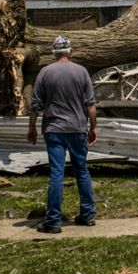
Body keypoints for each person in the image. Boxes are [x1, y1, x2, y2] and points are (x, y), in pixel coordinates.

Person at [27, 35, 98, 234]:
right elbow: (90, 105)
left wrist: (31, 128)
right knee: (81, 170)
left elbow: (36, 106)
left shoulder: (45, 73)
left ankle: (54, 221)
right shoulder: (81, 72)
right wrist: (93, 127)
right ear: (70, 51)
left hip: (54, 130)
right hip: (77, 129)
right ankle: (88, 214)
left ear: (54, 53)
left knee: (56, 174)